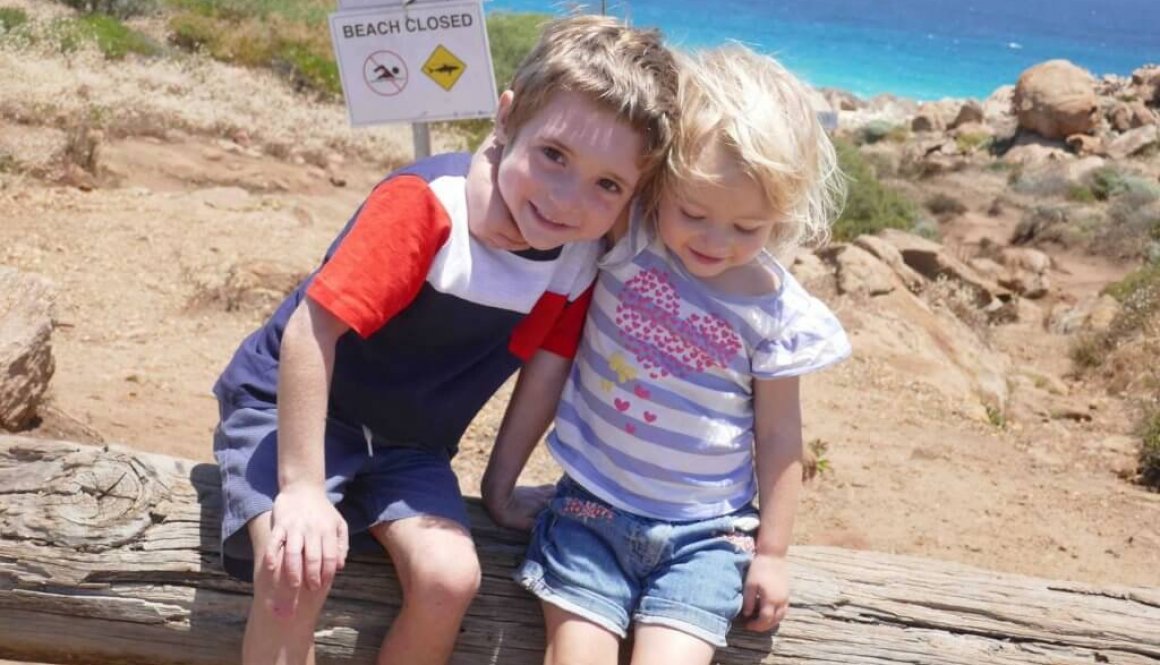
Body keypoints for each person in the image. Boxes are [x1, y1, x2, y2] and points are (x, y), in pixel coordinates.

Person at [210, 15, 678, 665]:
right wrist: (303, 488)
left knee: (450, 579)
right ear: (507, 117)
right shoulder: (428, 207)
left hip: (410, 444)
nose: (568, 199)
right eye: (554, 155)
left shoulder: (577, 259)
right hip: (292, 414)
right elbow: (310, 331)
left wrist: (500, 485)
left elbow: (546, 369)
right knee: (295, 571)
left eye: (608, 184)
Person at [480, 44, 850, 664]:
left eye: (746, 227)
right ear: (662, 181)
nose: (713, 240)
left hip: (707, 538)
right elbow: (535, 166)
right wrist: (500, 479)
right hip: (588, 511)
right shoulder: (629, 237)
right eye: (694, 211)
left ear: (780, 216)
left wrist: (774, 554)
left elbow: (780, 435)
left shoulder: (775, 314)